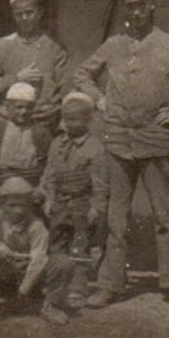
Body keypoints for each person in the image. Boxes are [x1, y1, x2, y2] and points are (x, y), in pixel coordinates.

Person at [73, 0, 169, 310]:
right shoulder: (113, 45)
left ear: (153, 5)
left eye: (141, 5)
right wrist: (99, 101)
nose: (135, 12)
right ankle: (110, 284)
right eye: (129, 6)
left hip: (157, 142)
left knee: (166, 217)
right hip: (118, 142)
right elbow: (82, 74)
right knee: (116, 219)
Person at [0, 177, 75, 324]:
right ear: (2, 204)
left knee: (63, 263)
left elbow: (38, 261)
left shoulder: (36, 226)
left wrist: (24, 289)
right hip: (7, 268)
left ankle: (51, 306)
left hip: (31, 272)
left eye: (23, 205)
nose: (18, 211)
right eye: (12, 205)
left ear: (30, 205)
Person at [38, 90, 108, 306]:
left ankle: (78, 287)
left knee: (79, 244)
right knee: (57, 243)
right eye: (67, 118)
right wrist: (48, 199)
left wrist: (96, 208)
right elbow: (49, 175)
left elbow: (100, 182)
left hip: (81, 203)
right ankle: (55, 284)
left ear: (89, 119)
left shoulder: (95, 147)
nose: (71, 123)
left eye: (77, 118)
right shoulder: (57, 143)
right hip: (59, 202)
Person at [0, 0, 70, 125]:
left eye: (29, 12)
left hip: (43, 123)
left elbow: (65, 91)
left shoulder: (54, 47)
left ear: (40, 12)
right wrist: (16, 78)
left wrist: (52, 109)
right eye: (19, 14)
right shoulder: (3, 45)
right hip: (9, 123)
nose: (24, 18)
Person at [0, 81, 54, 196]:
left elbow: (49, 165)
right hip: (4, 188)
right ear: (8, 107)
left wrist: (41, 189)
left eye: (28, 108)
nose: (23, 112)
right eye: (19, 107)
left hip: (32, 189)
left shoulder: (40, 132)